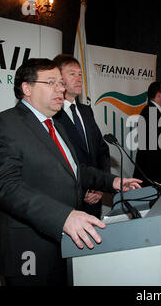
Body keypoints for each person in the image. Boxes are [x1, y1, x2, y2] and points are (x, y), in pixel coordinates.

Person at [0, 58, 142, 286]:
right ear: (26, 88)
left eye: (61, 83)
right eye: (51, 82)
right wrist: (63, 217)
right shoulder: (2, 125)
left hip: (64, 241)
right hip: (29, 247)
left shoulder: (55, 124)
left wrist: (113, 182)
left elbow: (75, 170)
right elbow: (7, 188)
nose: (61, 88)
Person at [53, 54, 111, 219]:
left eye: (80, 74)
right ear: (58, 78)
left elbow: (102, 151)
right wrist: (81, 191)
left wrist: (101, 186)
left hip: (95, 200)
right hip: (69, 205)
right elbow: (57, 163)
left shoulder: (86, 111)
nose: (79, 79)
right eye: (72, 74)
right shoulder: (51, 115)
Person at [133, 81, 161, 186]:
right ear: (158, 95)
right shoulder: (151, 112)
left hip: (155, 172)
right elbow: (158, 146)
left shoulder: (153, 111)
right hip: (153, 173)